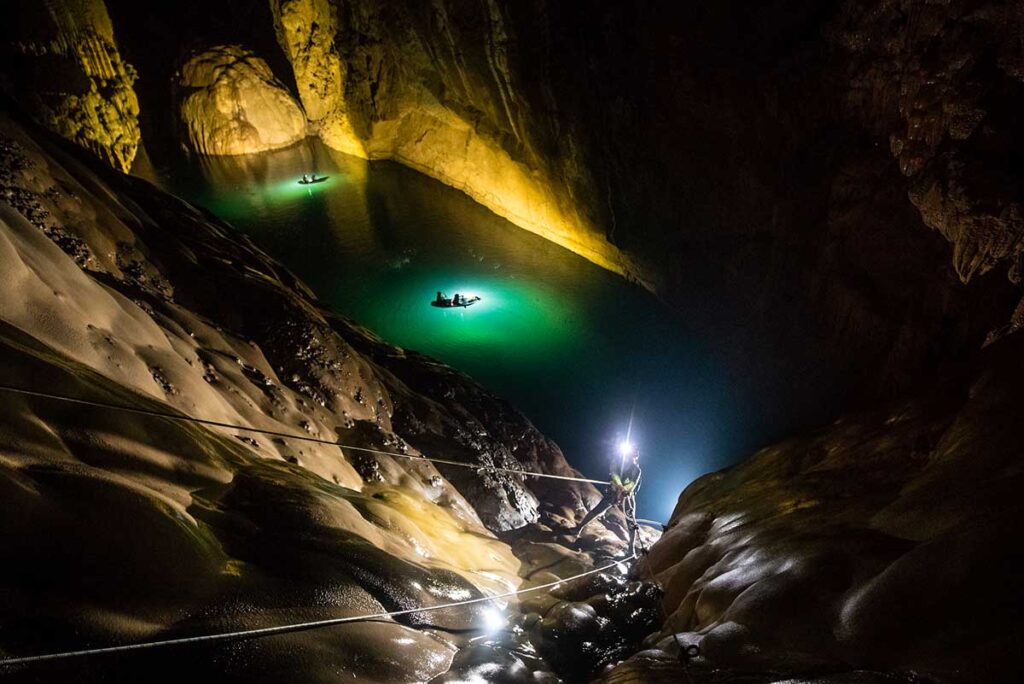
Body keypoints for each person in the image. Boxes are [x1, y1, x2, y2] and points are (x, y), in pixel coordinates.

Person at [571, 445, 642, 556]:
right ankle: (578, 528)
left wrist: (624, 490)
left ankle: (631, 549)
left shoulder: (636, 470)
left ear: (635, 456)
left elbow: (633, 483)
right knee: (597, 510)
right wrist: (619, 486)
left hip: (627, 495)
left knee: (630, 521)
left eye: (632, 455)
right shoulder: (616, 462)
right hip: (614, 492)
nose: (629, 457)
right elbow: (614, 474)